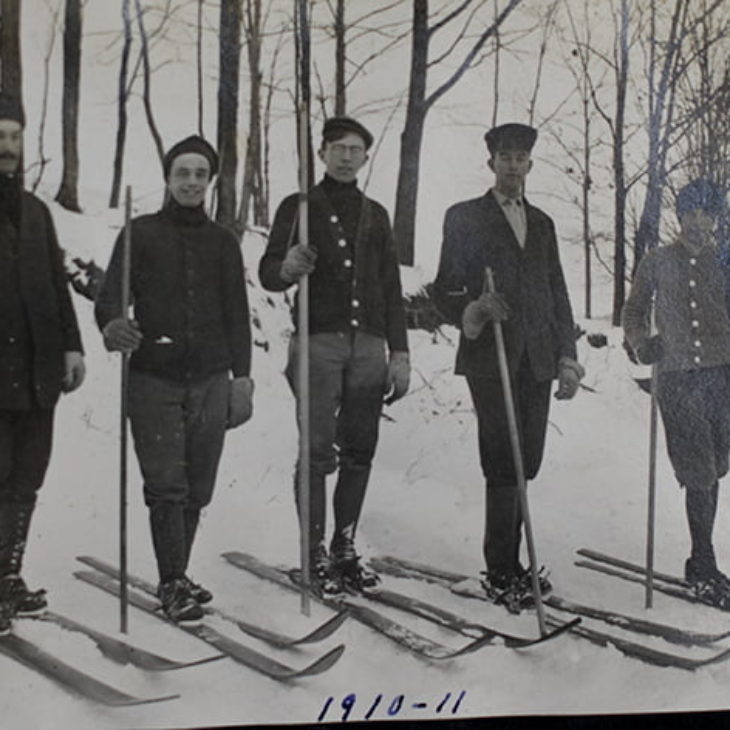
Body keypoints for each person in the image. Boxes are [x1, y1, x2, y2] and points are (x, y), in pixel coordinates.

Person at [95, 135, 253, 622]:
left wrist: (242, 379)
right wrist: (113, 326)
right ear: (168, 178)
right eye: (182, 173)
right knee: (166, 482)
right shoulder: (140, 233)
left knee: (198, 484)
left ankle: (177, 572)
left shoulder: (223, 241)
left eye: (200, 174)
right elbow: (108, 301)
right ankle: (172, 582)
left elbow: (237, 314)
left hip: (210, 377)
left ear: (210, 182)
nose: (191, 182)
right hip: (152, 378)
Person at [432, 123, 583, 610]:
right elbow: (444, 290)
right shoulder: (465, 218)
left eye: (520, 158)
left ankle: (515, 564)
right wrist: (472, 309)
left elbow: (556, 291)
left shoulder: (542, 223)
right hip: (490, 355)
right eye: (505, 157)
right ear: (490, 162)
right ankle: (501, 569)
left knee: (528, 461)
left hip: (536, 358)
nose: (512, 165)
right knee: (503, 458)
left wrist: (567, 356)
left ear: (530, 165)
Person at [259, 116, 410, 594]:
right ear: (322, 153)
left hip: (368, 345)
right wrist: (287, 266)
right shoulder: (298, 207)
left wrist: (400, 351)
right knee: (318, 450)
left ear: (366, 157)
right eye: (338, 148)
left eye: (355, 150)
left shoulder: (377, 214)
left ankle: (345, 546)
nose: (347, 157)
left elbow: (390, 286)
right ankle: (314, 551)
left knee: (360, 448)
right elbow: (267, 272)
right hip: (317, 342)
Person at [623, 178, 730, 608]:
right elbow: (633, 309)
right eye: (691, 214)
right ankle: (702, 563)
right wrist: (639, 341)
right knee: (699, 469)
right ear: (680, 217)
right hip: (678, 376)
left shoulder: (724, 261)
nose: (698, 223)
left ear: (716, 220)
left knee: (719, 462)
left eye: (707, 215)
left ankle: (702, 558)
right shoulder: (657, 261)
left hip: (722, 375)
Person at [0, 93, 85, 627]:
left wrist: (72, 345)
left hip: (38, 374)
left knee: (26, 478)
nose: (6, 147)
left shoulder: (36, 212)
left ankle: (9, 576)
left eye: (13, 137)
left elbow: (57, 285)